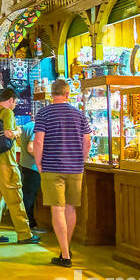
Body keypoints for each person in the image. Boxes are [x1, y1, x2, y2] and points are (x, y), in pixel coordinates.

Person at [31, 79, 92, 268]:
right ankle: (66, 247)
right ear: (67, 94)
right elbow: (87, 141)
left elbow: (39, 141)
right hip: (75, 168)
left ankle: (65, 254)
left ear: (52, 94)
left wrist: (39, 162)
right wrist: (80, 159)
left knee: (57, 208)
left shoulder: (44, 113)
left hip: (52, 166)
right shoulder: (79, 115)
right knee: (71, 208)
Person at [0, 87, 38, 244]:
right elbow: (8, 133)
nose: (15, 105)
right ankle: (24, 234)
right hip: (6, 162)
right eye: (15, 102)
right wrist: (18, 131)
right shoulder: (8, 113)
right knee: (15, 198)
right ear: (11, 100)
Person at [17, 106, 42, 235]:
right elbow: (31, 148)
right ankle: (27, 223)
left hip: (25, 164)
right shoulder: (36, 128)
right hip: (33, 166)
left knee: (27, 194)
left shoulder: (26, 126)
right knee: (29, 196)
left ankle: (27, 222)